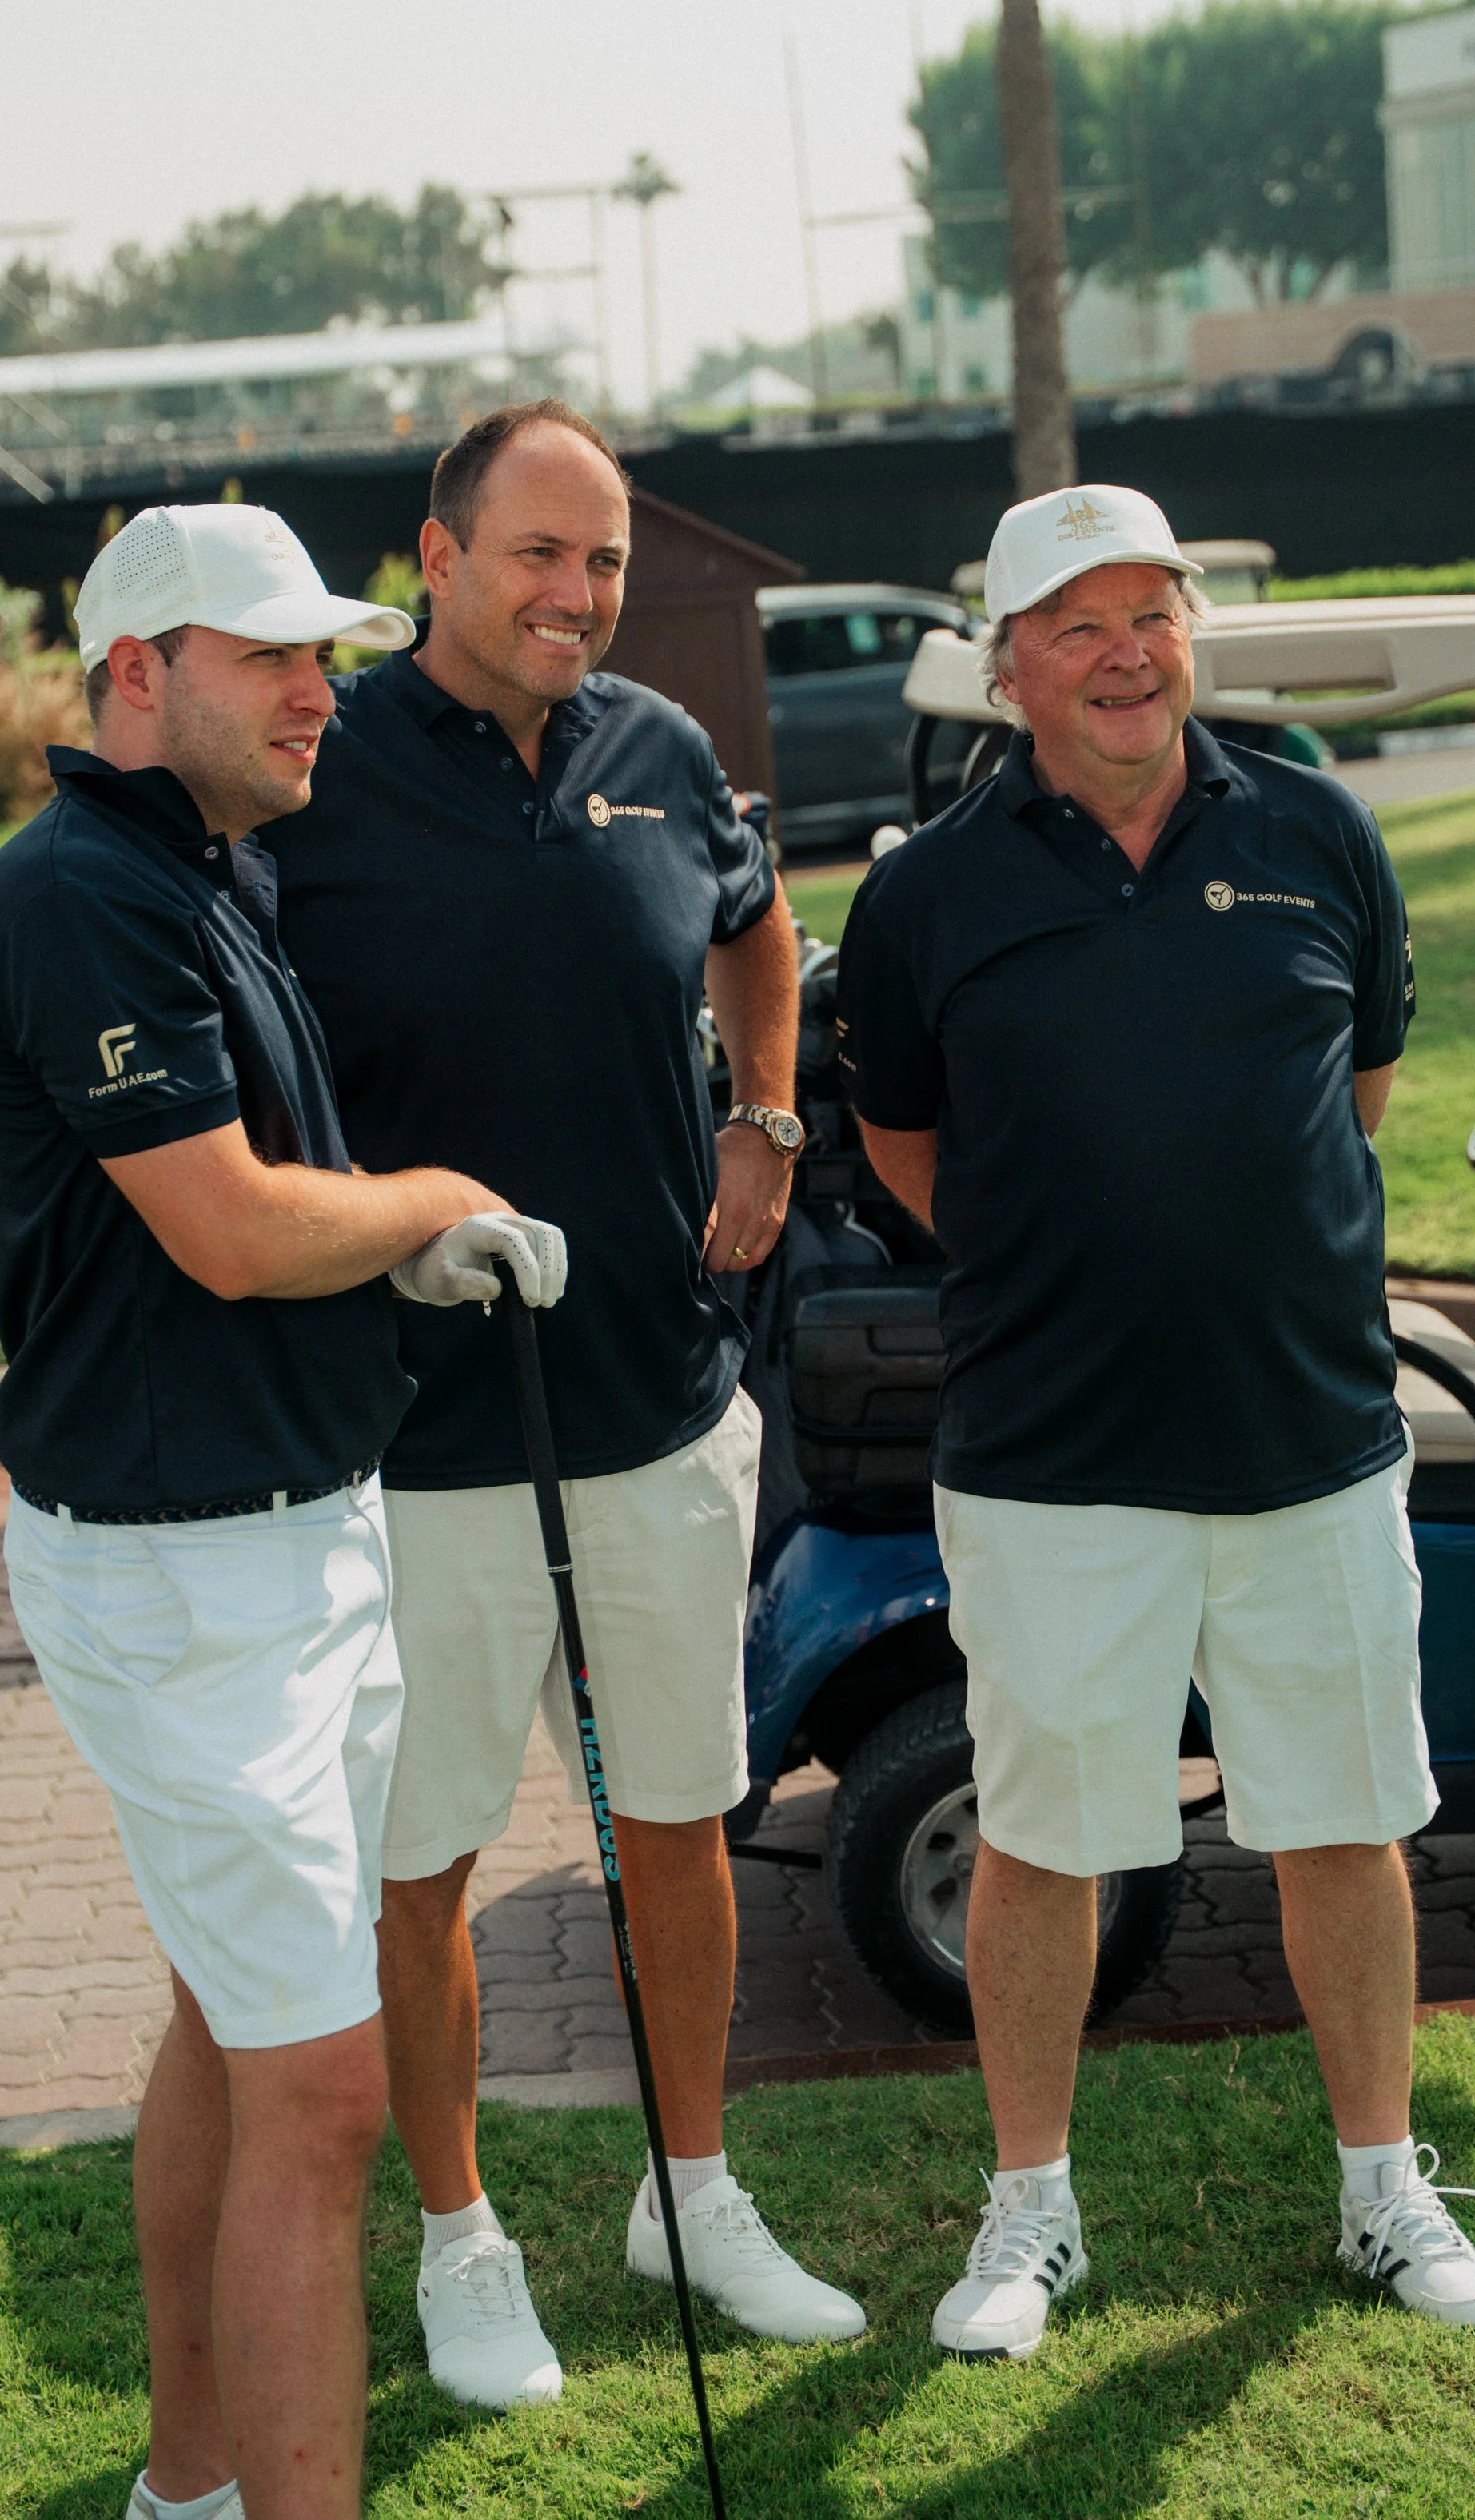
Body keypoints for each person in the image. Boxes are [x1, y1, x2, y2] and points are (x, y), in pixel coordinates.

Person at [835, 482, 1475, 2360]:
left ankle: (1387, 2189)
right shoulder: (923, 894)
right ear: (1011, 664)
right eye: (1081, 621)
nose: (1130, 649)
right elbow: (909, 1147)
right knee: (1052, 1838)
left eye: (1156, 611)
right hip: (1052, 1455)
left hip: (1305, 1433)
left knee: (1345, 1817)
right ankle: (1029, 2210)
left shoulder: (1316, 827)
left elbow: (1358, 1082)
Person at [0, 500, 569, 2520]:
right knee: (320, 2083)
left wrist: (386, 1245)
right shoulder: (81, 896)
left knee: (239, 2025)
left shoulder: (198, 872)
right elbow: (222, 1227)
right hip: (184, 1571)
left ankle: (191, 2482)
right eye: (276, 655)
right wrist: (437, 1203)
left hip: (294, 1540)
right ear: (141, 673)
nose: (326, 689)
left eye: (330, 652)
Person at [265, 398, 865, 2411]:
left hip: (663, 1403)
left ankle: (689, 2187)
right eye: (539, 551)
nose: (577, 594)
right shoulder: (313, 767)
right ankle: (461, 2236)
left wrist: (764, 1117)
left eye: (601, 558)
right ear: (434, 557)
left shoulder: (660, 748)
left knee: (682, 1825)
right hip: (417, 1430)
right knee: (422, 1859)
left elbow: (759, 928)